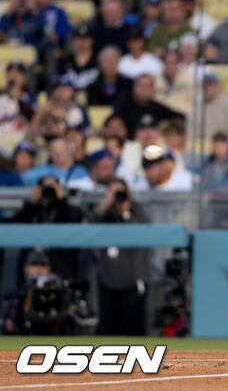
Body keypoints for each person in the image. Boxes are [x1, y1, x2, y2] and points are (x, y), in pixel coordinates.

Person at [90, 178, 150, 336]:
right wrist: (105, 204)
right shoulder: (104, 213)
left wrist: (126, 212)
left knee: (132, 328)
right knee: (107, 328)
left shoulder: (137, 210)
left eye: (120, 191)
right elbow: (88, 229)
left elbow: (144, 233)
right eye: (113, 192)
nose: (118, 195)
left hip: (132, 279)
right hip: (107, 279)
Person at [11, 175, 83, 280]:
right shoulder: (33, 209)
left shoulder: (65, 209)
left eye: (53, 187)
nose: (49, 190)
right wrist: (31, 204)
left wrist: (62, 200)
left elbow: (75, 219)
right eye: (45, 187)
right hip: (34, 261)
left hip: (60, 262)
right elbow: (15, 226)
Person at [112, 74, 175, 139]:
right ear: (134, 87)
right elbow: (115, 126)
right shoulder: (123, 105)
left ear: (153, 89)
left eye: (148, 86)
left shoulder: (158, 108)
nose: (144, 89)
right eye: (142, 86)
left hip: (154, 143)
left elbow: (176, 118)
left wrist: (160, 132)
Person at [22, 137, 88, 186]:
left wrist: (56, 183)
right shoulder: (39, 171)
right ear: (50, 154)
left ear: (70, 151)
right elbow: (23, 179)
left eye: (62, 150)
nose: (58, 153)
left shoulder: (81, 172)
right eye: (54, 150)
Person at [0, 62, 34, 156]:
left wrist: (19, 100)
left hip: (21, 144)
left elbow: (35, 119)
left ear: (24, 78)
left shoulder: (30, 97)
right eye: (11, 73)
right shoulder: (1, 95)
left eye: (17, 73)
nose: (13, 76)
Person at [200, 72, 228, 139]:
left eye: (211, 85)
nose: (208, 89)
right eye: (205, 86)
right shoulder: (197, 104)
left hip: (223, 141)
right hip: (201, 142)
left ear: (218, 86)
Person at [154, 51, 193, 118]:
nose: (170, 66)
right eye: (167, 62)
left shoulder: (189, 79)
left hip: (181, 116)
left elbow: (192, 101)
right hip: (160, 116)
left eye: (173, 63)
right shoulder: (154, 79)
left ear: (178, 64)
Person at [59, 24, 99, 90]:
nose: (82, 43)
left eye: (85, 40)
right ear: (74, 41)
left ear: (91, 41)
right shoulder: (64, 62)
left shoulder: (99, 64)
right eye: (79, 39)